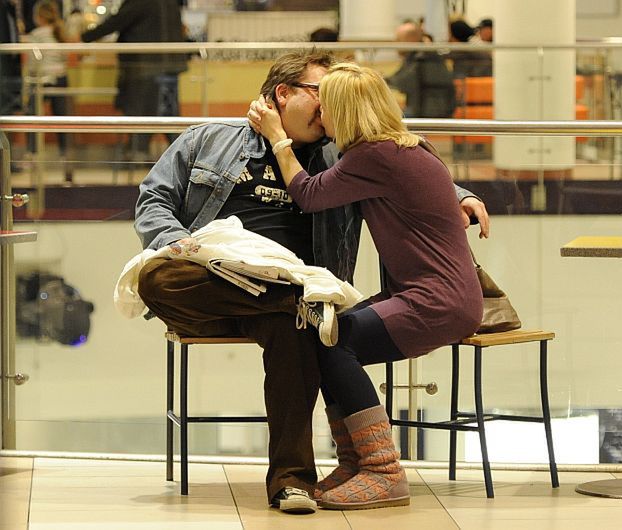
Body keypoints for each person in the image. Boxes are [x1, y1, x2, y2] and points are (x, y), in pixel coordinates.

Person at [133, 49, 489, 514]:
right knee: (156, 278)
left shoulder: (340, 152)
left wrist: (460, 195)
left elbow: (396, 168)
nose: (326, 109)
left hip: (295, 294)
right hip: (217, 284)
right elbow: (154, 199)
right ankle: (289, 306)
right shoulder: (209, 139)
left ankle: (293, 482)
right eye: (320, 94)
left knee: (306, 329)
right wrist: (180, 245)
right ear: (283, 93)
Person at [250, 62, 484, 510]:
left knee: (334, 340)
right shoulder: (405, 148)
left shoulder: (374, 156)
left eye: (326, 107)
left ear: (344, 110)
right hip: (438, 295)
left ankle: (383, 470)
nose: (321, 116)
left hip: (435, 301)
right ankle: (355, 462)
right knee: (322, 334)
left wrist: (279, 140)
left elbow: (309, 194)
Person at [80, 0, 187, 158]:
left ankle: (138, 152)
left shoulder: (139, 2)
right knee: (168, 111)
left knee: (142, 111)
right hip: (170, 64)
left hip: (145, 65)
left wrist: (84, 37)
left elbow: (118, 21)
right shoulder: (170, 3)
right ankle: (182, 155)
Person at [22, 0, 70, 160]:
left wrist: (28, 81)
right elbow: (65, 57)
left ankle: (32, 153)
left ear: (39, 17)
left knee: (32, 116)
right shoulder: (60, 32)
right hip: (61, 78)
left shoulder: (35, 34)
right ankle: (64, 154)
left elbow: (32, 61)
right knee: (62, 119)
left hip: (41, 80)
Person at [386, 21, 455, 118]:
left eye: (398, 39)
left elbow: (403, 81)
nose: (395, 44)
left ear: (409, 40)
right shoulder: (419, 54)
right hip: (424, 108)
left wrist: (382, 80)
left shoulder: (423, 57)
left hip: (432, 112)